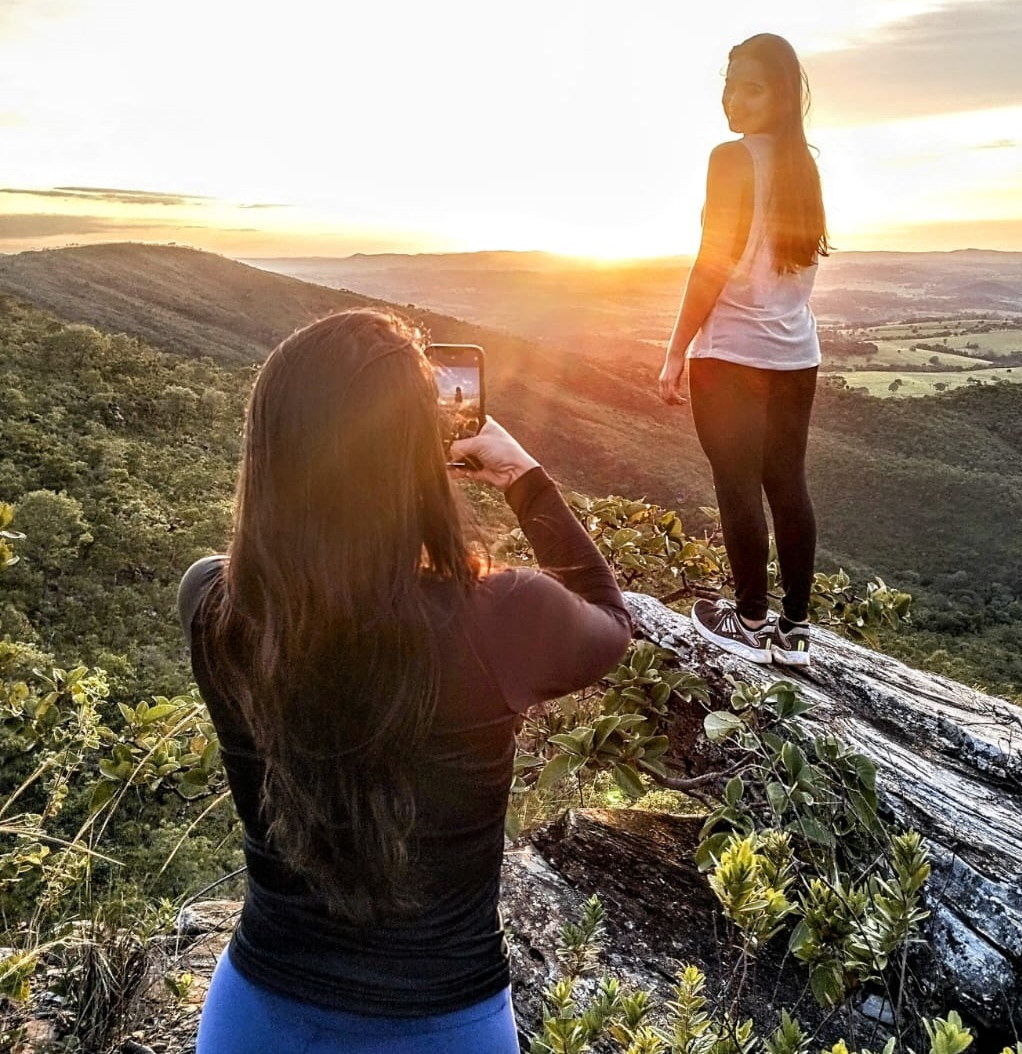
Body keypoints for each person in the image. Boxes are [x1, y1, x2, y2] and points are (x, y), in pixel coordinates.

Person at [180, 309, 632, 1053]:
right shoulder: (505, 615)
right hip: (441, 1023)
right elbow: (610, 619)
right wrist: (522, 478)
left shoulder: (212, 604)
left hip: (255, 1014)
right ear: (419, 455)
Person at [657, 32, 828, 668]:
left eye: (751, 88)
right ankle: (796, 631)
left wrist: (675, 349)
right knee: (788, 483)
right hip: (795, 352)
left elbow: (713, 262)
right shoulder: (803, 166)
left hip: (730, 351)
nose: (734, 99)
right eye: (729, 85)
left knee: (737, 485)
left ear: (781, 95)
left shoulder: (730, 159)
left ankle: (750, 621)